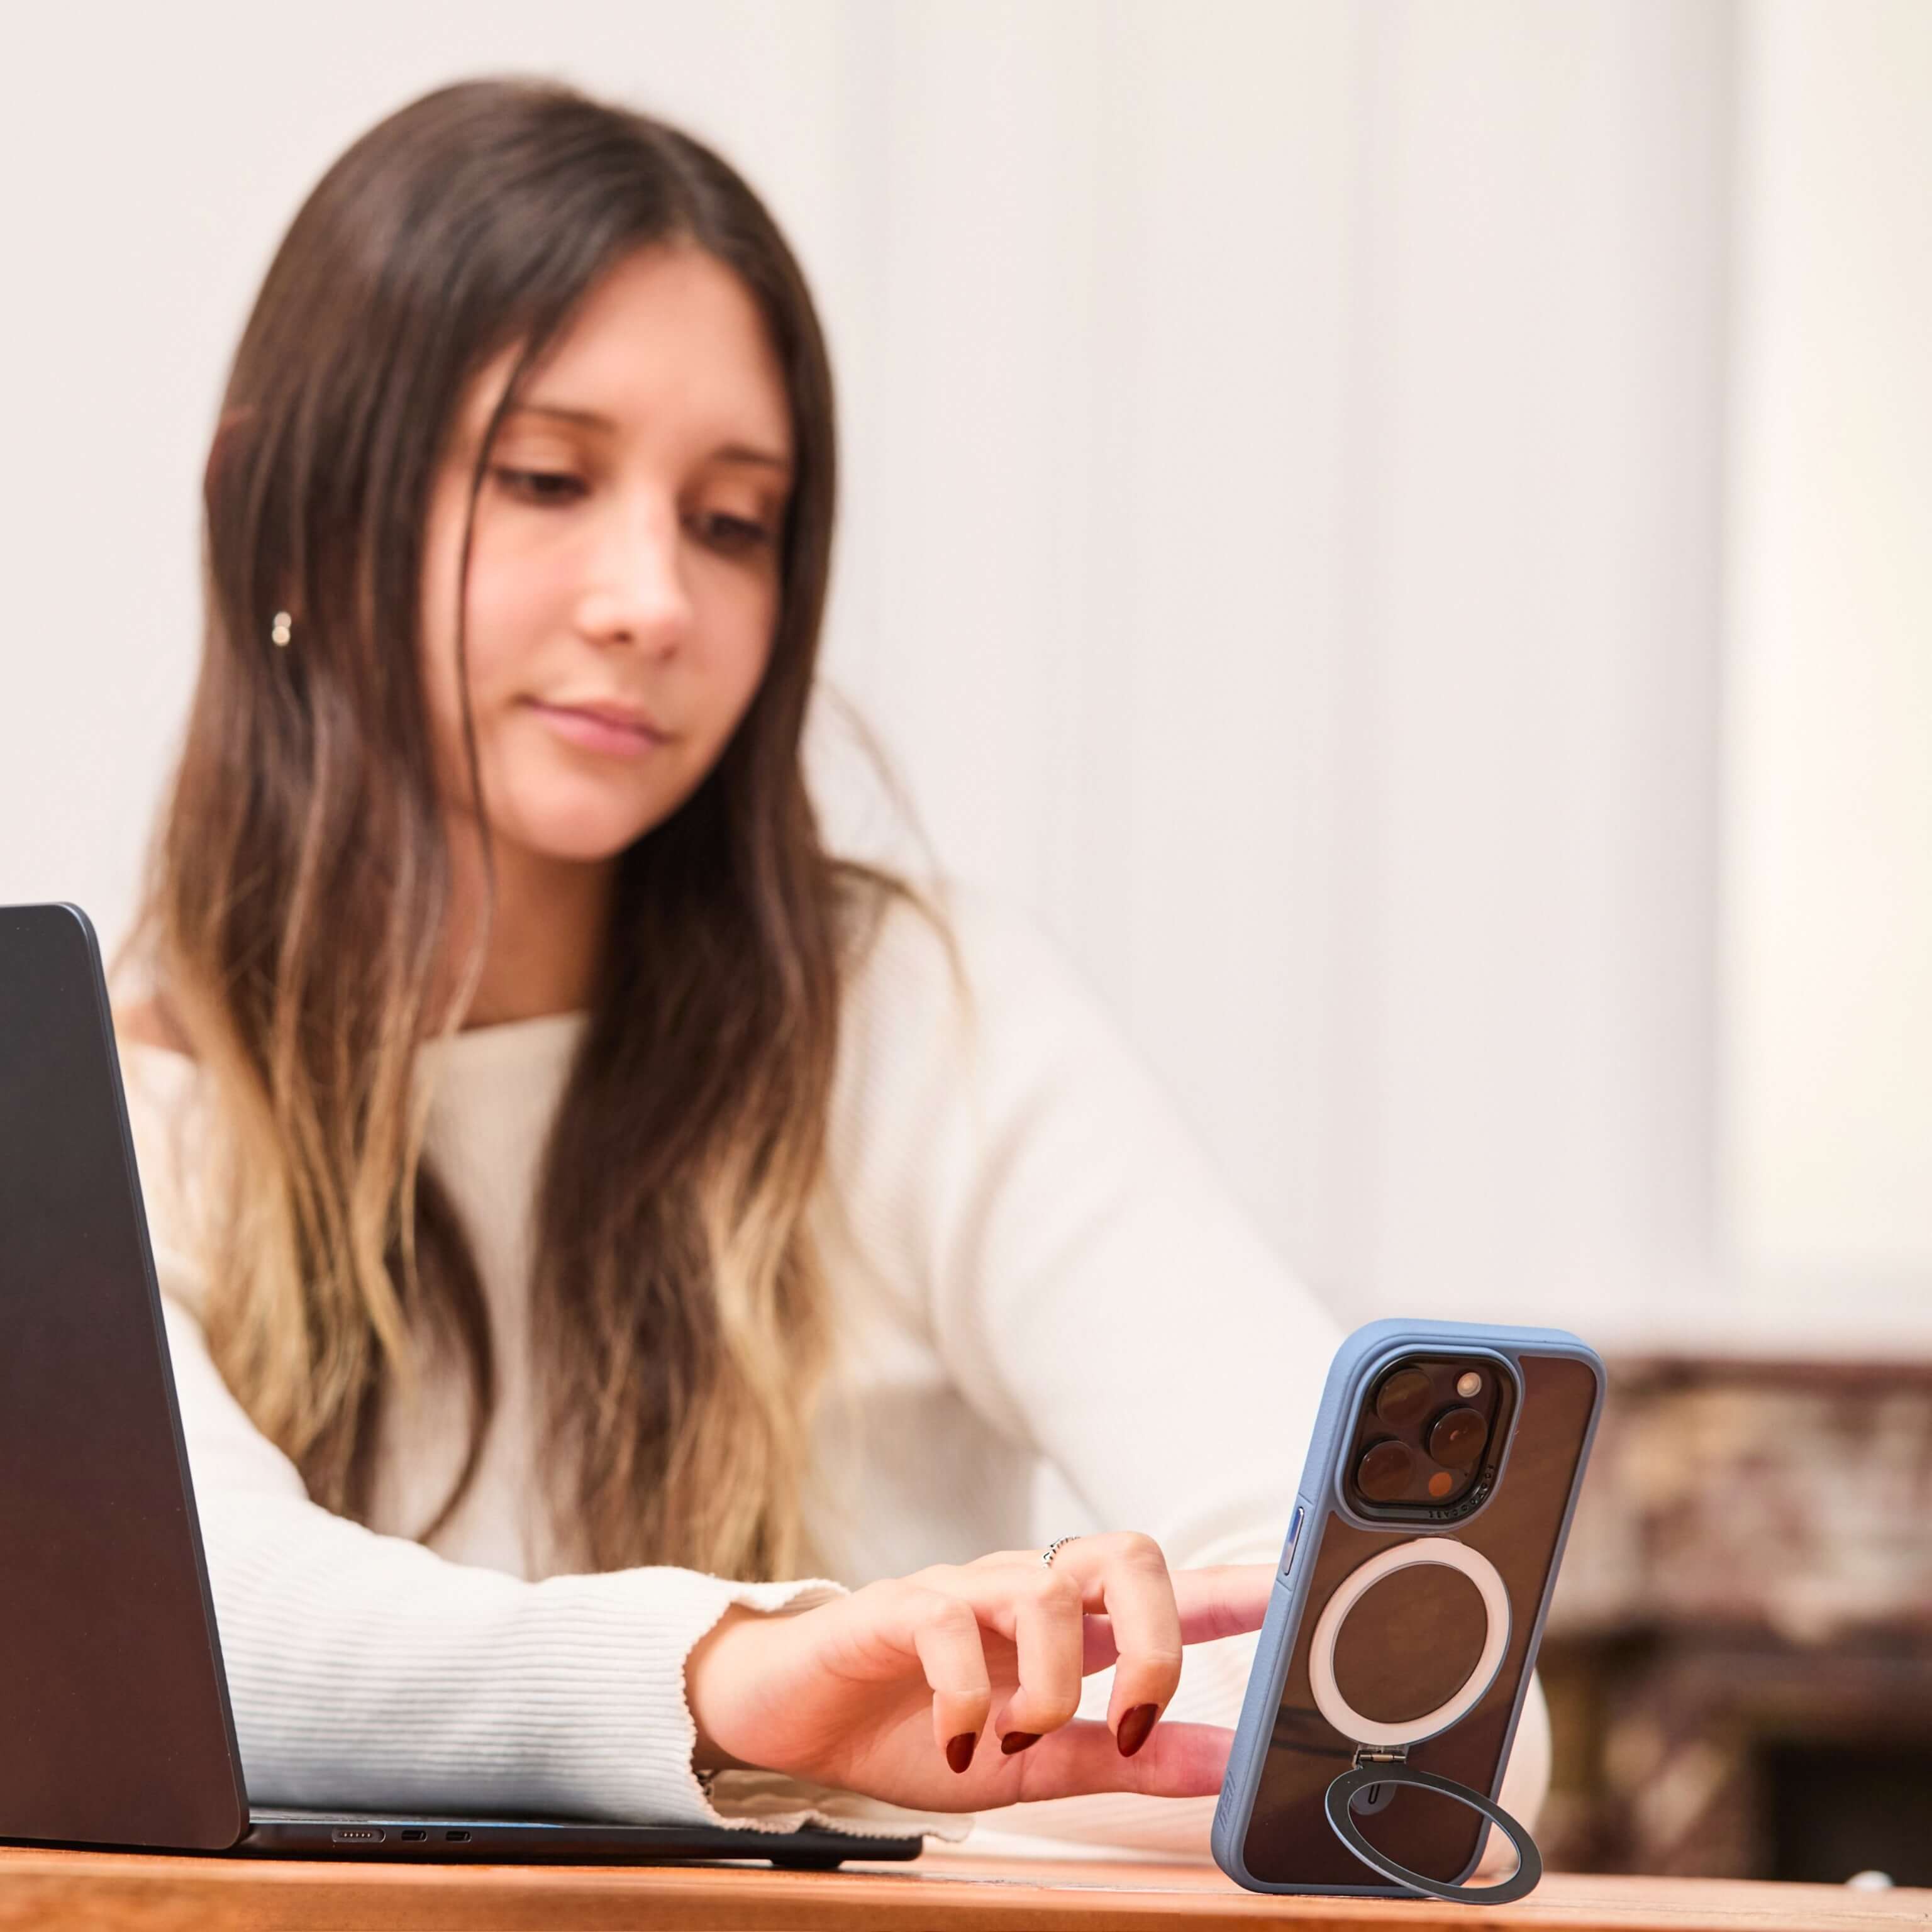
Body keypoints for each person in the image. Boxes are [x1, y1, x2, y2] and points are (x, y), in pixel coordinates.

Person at [111, 75, 1545, 1859]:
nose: (655, 598)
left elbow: (1425, 1715)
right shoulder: (104, 1114)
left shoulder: (919, 1023)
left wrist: (870, 1789)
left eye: (734, 521)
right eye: (547, 479)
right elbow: (173, 1630)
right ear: (277, 505)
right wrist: (740, 1689)